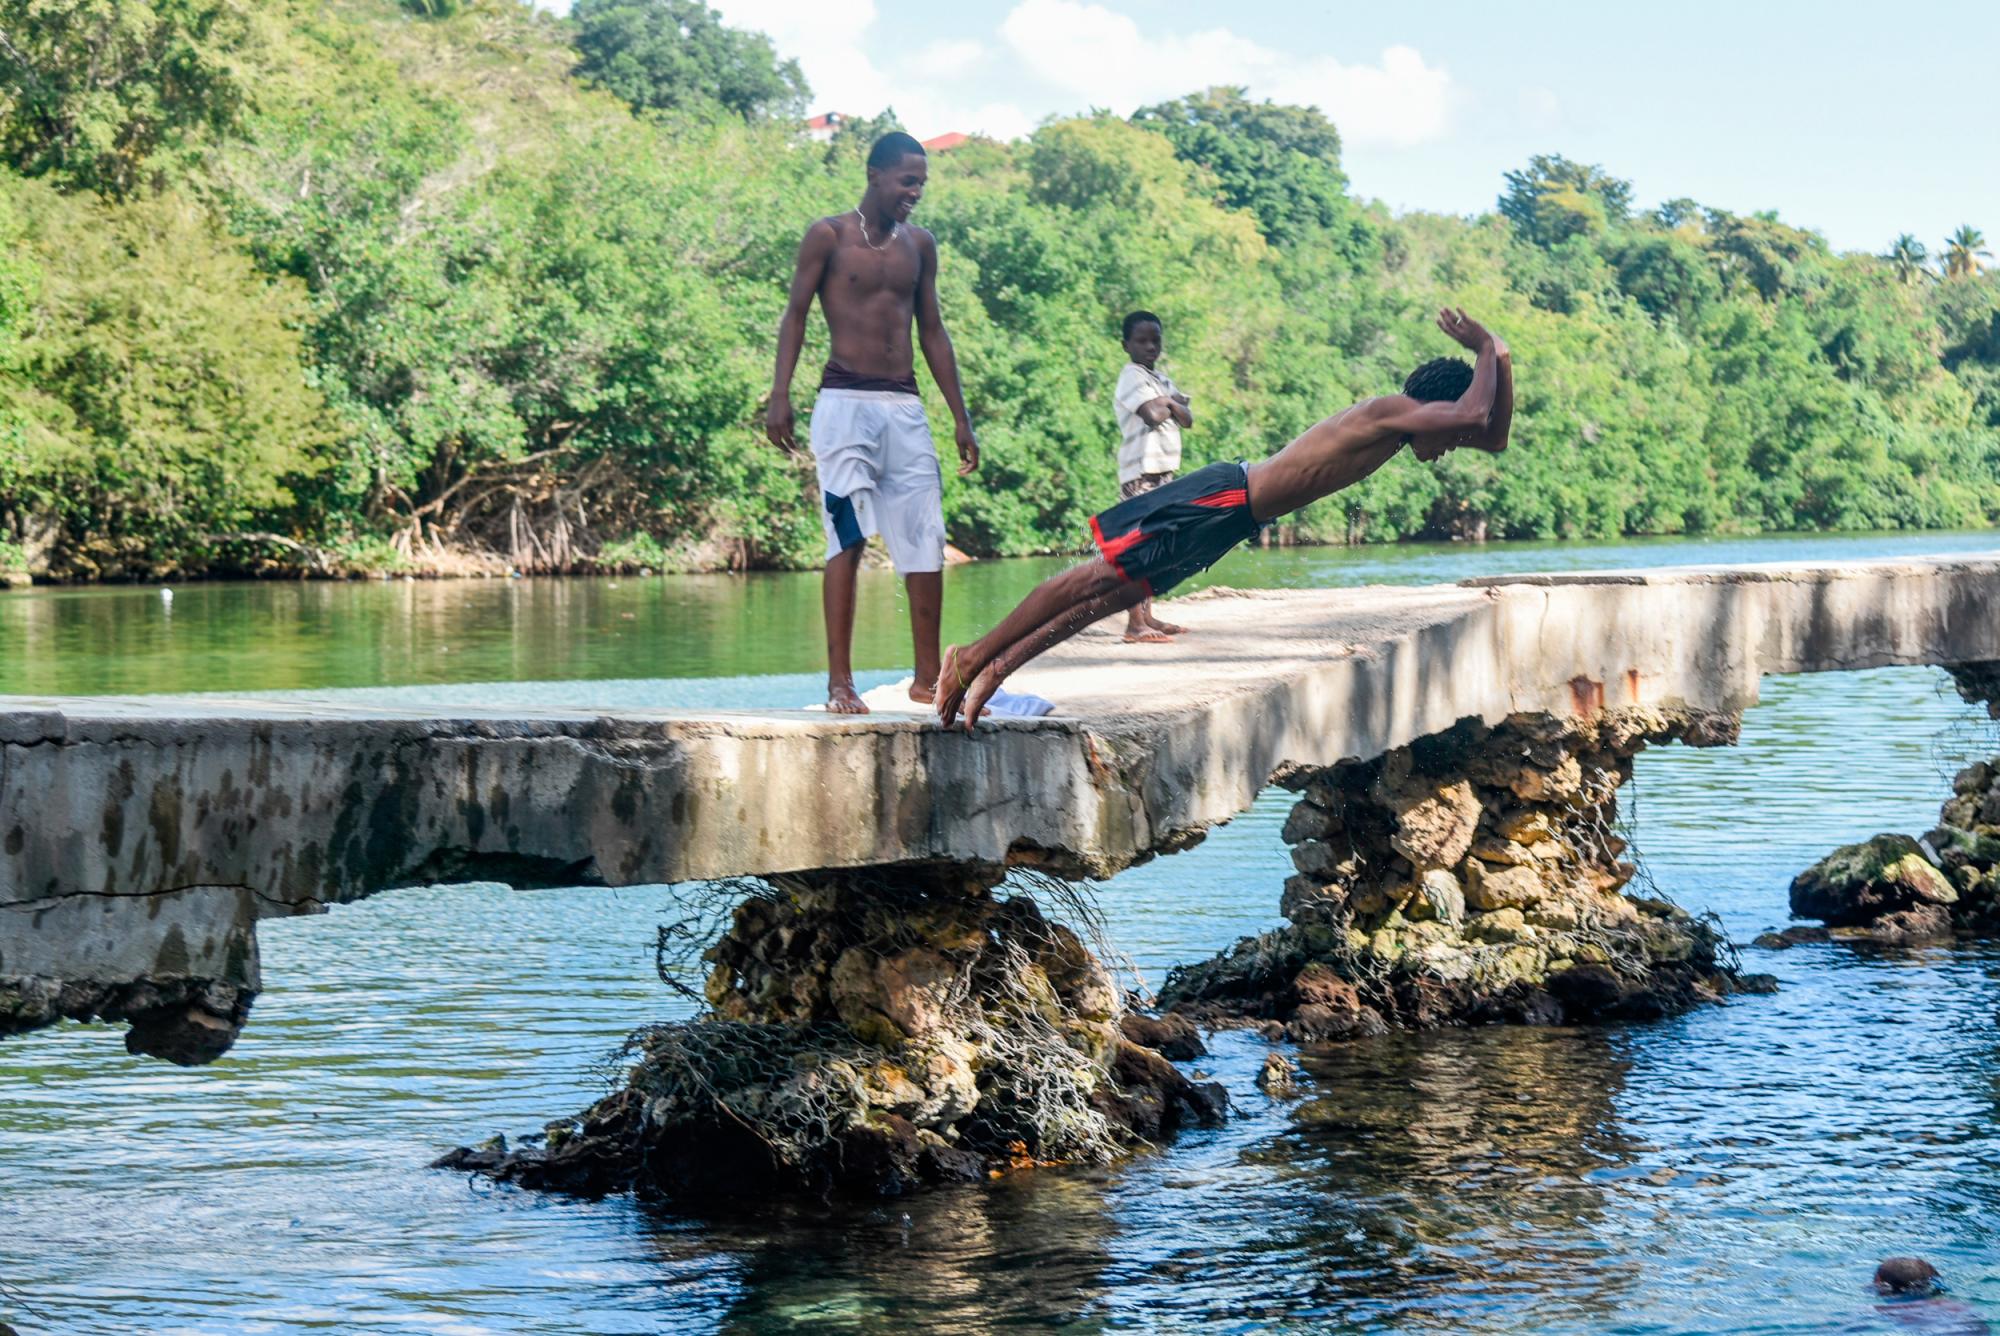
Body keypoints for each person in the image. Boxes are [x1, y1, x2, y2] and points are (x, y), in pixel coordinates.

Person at [935, 308, 1512, 730]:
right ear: (1436, 407)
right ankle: (971, 656)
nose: (1457, 443)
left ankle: (995, 671)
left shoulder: (1408, 425)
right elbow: (1475, 411)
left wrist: (1501, 359)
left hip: (1231, 523)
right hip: (1222, 497)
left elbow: (1495, 435)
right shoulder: (1393, 411)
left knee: (1109, 601)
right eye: (1453, 436)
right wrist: (1486, 344)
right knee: (1091, 580)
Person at [766, 131, 979, 714]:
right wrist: (779, 393)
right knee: (848, 536)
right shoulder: (828, 236)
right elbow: (795, 315)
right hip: (842, 407)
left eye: (922, 183)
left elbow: (932, 331)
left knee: (924, 539)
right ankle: (840, 682)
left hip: (904, 409)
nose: (915, 192)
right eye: (907, 180)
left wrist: (960, 416)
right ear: (875, 174)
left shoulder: (920, 245)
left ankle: (927, 678)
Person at [1112, 310, 1192, 643]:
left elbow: (1187, 418)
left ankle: (1147, 614)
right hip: (1140, 473)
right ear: (1126, 344)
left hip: (1164, 472)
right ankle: (1134, 624)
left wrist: (1169, 402)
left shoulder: (1159, 379)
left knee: (1158, 544)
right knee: (1139, 545)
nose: (1149, 347)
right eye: (1141, 341)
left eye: (1155, 340)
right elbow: (1153, 415)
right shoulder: (1131, 376)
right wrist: (1169, 403)